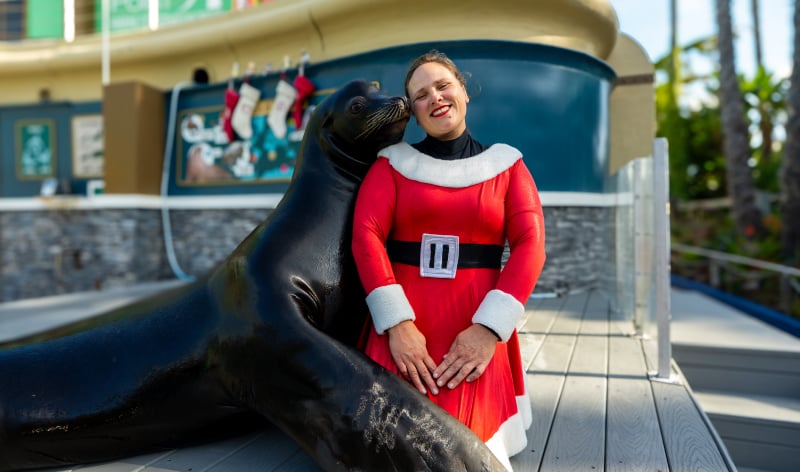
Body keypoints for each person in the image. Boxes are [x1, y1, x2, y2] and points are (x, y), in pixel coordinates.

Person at [351, 50, 546, 470]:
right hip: (404, 330)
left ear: (463, 91)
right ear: (414, 112)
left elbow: (531, 245)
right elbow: (366, 237)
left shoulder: (508, 165)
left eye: (443, 85)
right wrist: (398, 326)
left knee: (467, 451)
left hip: (475, 324)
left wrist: (488, 331)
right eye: (421, 95)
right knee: (385, 443)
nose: (435, 97)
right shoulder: (390, 166)